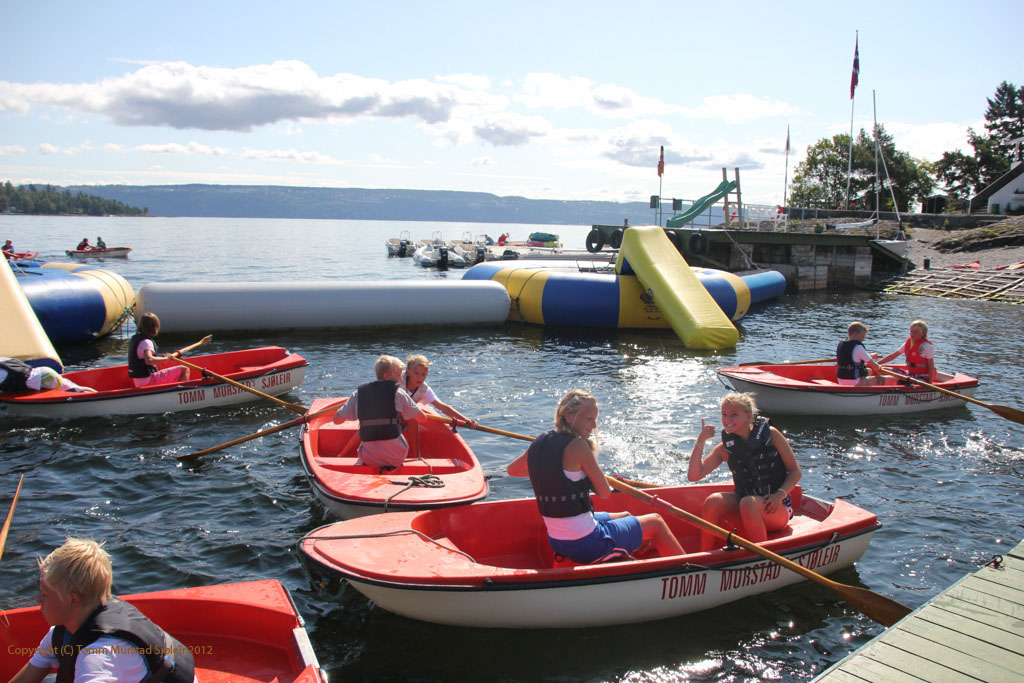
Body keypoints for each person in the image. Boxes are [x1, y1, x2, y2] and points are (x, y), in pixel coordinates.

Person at [507, 389, 684, 564]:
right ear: (569, 416)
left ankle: (625, 554)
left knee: (625, 516)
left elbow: (512, 470)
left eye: (595, 419)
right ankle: (689, 569)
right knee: (656, 522)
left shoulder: (539, 441)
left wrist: (555, 471)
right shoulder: (578, 446)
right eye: (589, 419)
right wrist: (587, 473)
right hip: (587, 543)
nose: (594, 426)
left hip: (557, 540)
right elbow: (604, 493)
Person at [9, 537, 195, 683]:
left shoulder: (98, 657)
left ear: (73, 600)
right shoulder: (61, 634)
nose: (38, 600)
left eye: (45, 594)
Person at [687, 392, 802, 551]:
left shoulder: (772, 435)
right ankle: (703, 556)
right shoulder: (726, 448)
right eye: (724, 414)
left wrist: (778, 495)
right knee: (714, 501)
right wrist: (701, 440)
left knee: (748, 503)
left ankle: (760, 556)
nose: (727, 420)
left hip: (776, 507)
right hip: (746, 506)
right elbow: (694, 476)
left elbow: (795, 471)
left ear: (748, 416)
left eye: (734, 414)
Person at [332, 354, 425, 470]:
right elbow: (422, 419)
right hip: (396, 458)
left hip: (370, 459)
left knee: (365, 441)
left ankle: (356, 463)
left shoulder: (359, 394)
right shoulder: (399, 393)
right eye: (398, 375)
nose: (401, 379)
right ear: (386, 376)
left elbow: (336, 421)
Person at [128, 313, 189, 388]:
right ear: (155, 327)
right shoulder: (146, 342)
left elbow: (144, 358)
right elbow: (149, 360)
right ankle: (178, 394)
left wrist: (163, 357)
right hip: (148, 382)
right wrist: (166, 358)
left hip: (139, 382)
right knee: (184, 369)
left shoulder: (136, 339)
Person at [0, 357, 96, 394]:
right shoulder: (3, 360)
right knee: (77, 389)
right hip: (43, 372)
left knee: (77, 393)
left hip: (45, 378)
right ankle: (97, 394)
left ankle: (97, 398)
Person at [836, 321, 884, 386]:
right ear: (855, 334)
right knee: (891, 379)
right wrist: (879, 367)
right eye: (862, 336)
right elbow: (875, 367)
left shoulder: (842, 344)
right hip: (855, 382)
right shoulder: (858, 347)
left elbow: (852, 357)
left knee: (869, 371)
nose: (863, 339)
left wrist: (869, 356)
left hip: (841, 380)